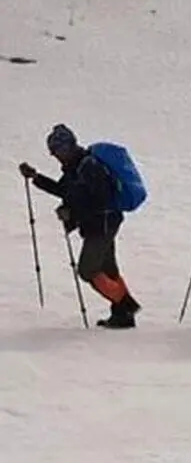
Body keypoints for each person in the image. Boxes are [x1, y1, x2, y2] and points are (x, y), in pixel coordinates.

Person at [19, 124, 142, 328]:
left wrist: (72, 213)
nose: (57, 156)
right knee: (108, 268)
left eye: (58, 151)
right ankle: (123, 315)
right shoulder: (76, 167)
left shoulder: (89, 166)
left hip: (102, 224)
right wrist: (36, 178)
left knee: (87, 270)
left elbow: (100, 199)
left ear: (69, 146)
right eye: (54, 153)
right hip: (101, 223)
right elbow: (64, 191)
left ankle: (126, 306)